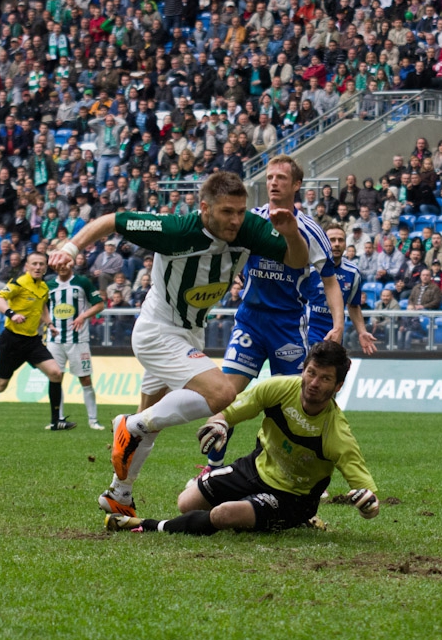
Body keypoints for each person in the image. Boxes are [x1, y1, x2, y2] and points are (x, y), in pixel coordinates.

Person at [47, 171, 310, 518]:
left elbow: (298, 260)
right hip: (158, 331)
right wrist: (69, 248)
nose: (235, 220)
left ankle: (119, 493)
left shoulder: (248, 229)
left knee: (149, 422)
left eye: (240, 211)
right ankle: (130, 426)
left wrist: (291, 234)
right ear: (205, 208)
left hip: (190, 332)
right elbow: (112, 220)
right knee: (222, 394)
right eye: (227, 211)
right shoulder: (175, 230)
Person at [104, 342, 379, 535]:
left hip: (293, 497)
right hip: (254, 468)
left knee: (223, 515)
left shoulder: (337, 433)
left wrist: (368, 506)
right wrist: (219, 424)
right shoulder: (279, 388)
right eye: (311, 373)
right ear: (304, 369)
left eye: (325, 379)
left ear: (338, 386)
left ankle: (150, 526)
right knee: (186, 503)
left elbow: (369, 499)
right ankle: (253, 510)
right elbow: (228, 412)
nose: (314, 383)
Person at [204, 156, 343, 473]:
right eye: (269, 177)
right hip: (250, 321)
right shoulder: (250, 220)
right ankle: (212, 469)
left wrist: (338, 325)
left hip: (288, 326)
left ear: (296, 185)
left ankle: (294, 472)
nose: (273, 182)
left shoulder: (311, 230)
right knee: (226, 396)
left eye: (281, 177)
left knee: (294, 405)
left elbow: (330, 281)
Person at [0, 253, 76, 432]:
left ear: (45, 267)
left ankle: (55, 421)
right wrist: (12, 314)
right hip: (12, 341)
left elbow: (42, 306)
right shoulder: (19, 283)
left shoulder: (43, 287)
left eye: (41, 264)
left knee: (56, 373)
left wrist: (49, 323)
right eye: (34, 264)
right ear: (27, 266)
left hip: (32, 341)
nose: (38, 267)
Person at [46, 261, 107, 430]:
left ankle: (93, 420)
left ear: (71, 264)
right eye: (59, 264)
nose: (62, 267)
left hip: (78, 339)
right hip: (54, 340)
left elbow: (99, 304)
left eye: (65, 263)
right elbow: (42, 309)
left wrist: (83, 316)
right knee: (55, 378)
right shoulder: (48, 285)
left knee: (85, 379)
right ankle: (57, 419)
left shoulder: (82, 282)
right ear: (55, 266)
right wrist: (48, 324)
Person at [303, 224, 377, 355]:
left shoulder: (352, 272)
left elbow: (353, 305)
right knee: (315, 362)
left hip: (336, 331)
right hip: (310, 328)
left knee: (330, 366)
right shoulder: (310, 269)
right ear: (324, 242)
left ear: (345, 244)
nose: (337, 244)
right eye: (332, 240)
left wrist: (362, 331)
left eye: (340, 240)